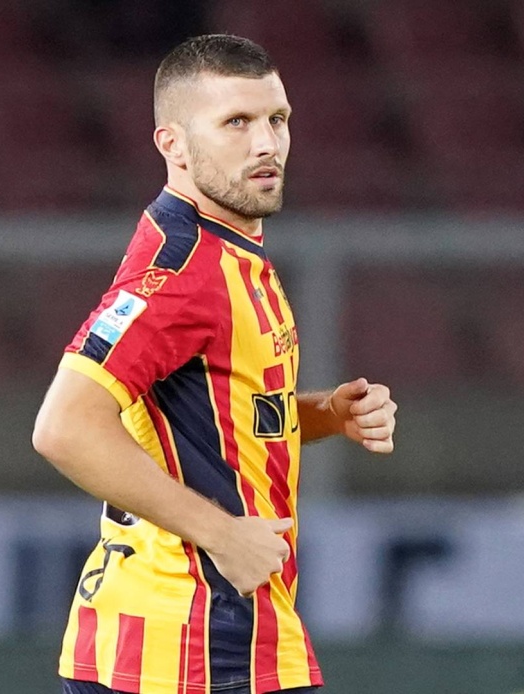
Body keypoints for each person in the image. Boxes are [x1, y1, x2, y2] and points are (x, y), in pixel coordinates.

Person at [32, 34, 398, 694]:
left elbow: (207, 423)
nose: (266, 144)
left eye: (276, 119)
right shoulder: (183, 272)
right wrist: (223, 535)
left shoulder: (227, 249)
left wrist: (322, 415)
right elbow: (64, 427)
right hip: (192, 648)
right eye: (236, 122)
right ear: (172, 144)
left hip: (206, 637)